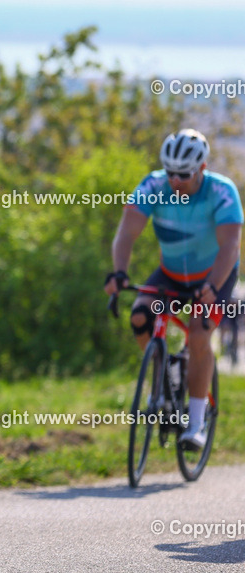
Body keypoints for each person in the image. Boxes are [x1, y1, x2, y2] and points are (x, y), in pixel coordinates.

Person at [104, 128, 242, 449]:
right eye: (170, 172)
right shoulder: (153, 185)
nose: (175, 181)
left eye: (184, 174)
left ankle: (196, 424)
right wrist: (120, 272)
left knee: (197, 334)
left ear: (203, 169)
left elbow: (231, 247)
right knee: (140, 317)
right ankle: (166, 384)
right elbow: (126, 234)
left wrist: (212, 286)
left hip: (214, 275)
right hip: (170, 274)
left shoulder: (222, 192)